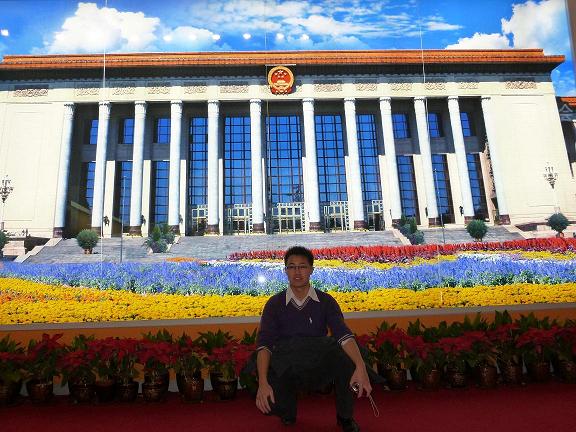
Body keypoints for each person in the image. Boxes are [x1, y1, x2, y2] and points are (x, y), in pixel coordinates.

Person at [255, 246, 373, 432]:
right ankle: (287, 411)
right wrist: (262, 383)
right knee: (271, 403)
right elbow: (264, 344)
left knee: (347, 358)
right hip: (287, 364)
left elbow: (343, 334)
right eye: (292, 267)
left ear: (311, 270)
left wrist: (360, 366)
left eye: (302, 266)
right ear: (285, 270)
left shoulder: (326, 301)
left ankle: (345, 416)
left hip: (318, 363)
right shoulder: (274, 304)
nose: (297, 272)